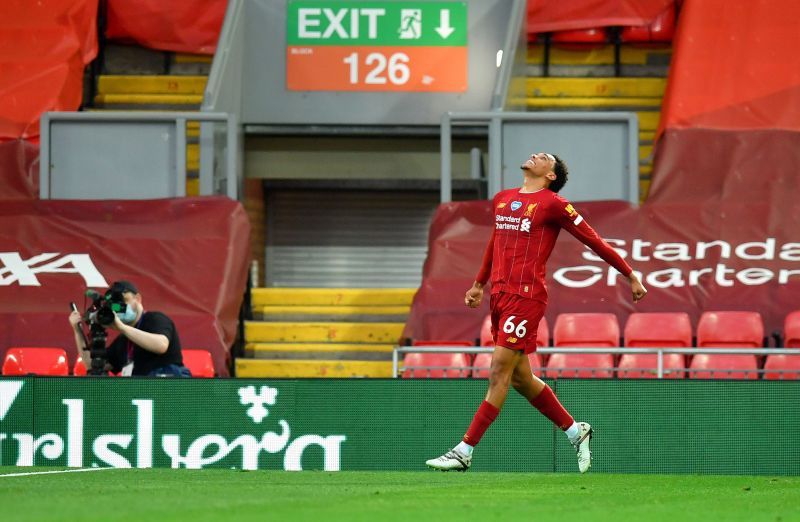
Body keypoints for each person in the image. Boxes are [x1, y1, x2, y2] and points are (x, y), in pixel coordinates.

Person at [426, 152, 647, 473]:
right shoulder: (503, 199)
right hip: (500, 295)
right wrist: (478, 283)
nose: (537, 155)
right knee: (520, 377)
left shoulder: (554, 204)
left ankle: (464, 450)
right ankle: (576, 431)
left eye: (546, 157)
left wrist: (629, 273)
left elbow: (593, 240)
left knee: (499, 371)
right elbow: (495, 242)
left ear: (551, 175)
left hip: (526, 297)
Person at [69, 280, 191, 377]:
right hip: (140, 393)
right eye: (116, 305)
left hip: (169, 385)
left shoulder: (155, 319)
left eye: (125, 301)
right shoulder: (123, 340)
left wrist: (122, 328)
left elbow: (161, 345)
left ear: (138, 299)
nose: (121, 308)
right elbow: (92, 365)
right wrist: (77, 331)